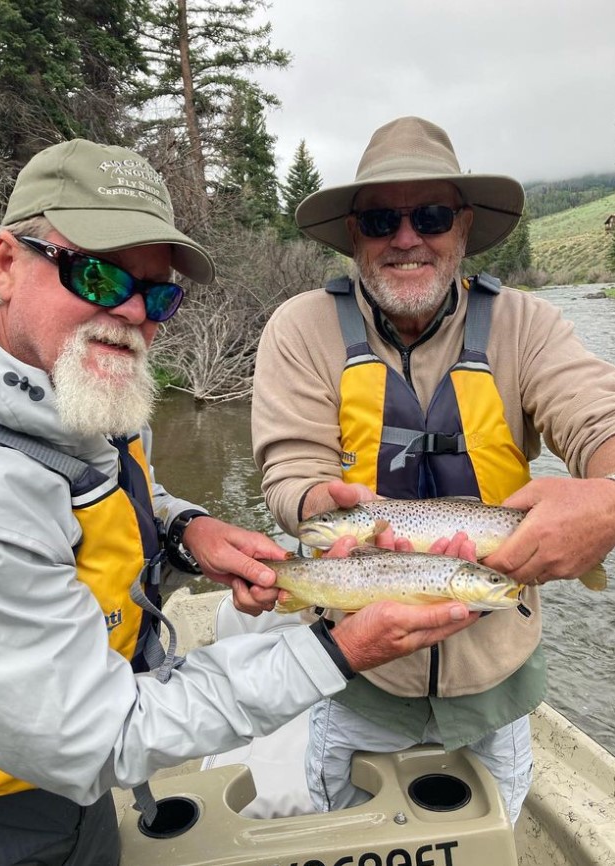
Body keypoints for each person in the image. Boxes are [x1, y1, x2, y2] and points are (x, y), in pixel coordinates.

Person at [0, 138, 479, 866]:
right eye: (95, 273)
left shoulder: (57, 370)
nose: (130, 313)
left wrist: (187, 528)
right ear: (4, 260)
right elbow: (97, 738)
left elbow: (104, 484)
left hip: (55, 776)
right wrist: (335, 650)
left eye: (159, 295)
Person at [251, 116, 615, 825]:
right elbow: (287, 470)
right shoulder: (299, 328)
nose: (406, 237)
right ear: (355, 235)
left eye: (432, 215)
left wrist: (606, 501)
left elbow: (601, 421)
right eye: (382, 218)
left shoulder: (529, 326)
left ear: (464, 227)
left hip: (497, 682)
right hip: (355, 674)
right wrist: (311, 502)